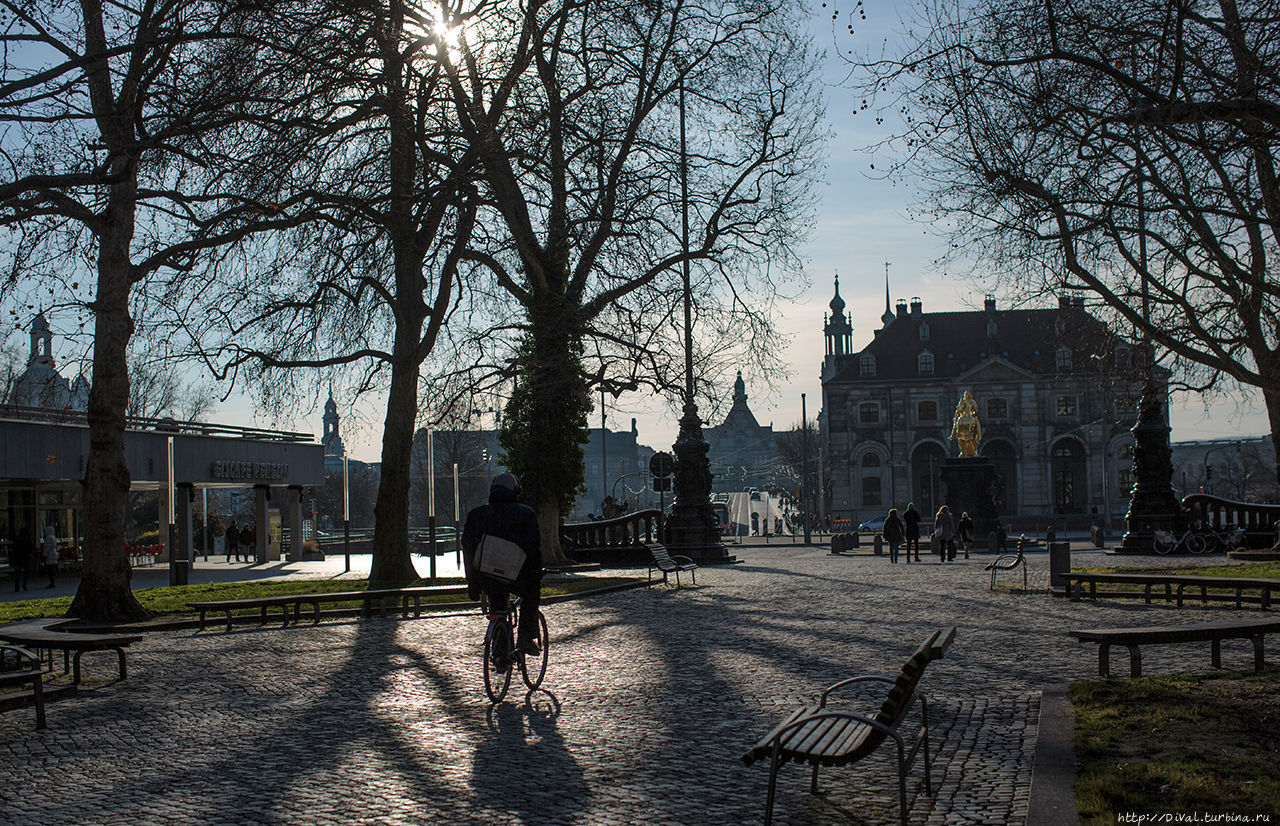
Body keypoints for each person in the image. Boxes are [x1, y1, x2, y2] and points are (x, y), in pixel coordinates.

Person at [462, 473, 544, 655]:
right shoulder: (526, 514)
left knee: (497, 605)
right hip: (516, 577)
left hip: (487, 576)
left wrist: (473, 582)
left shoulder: (477, 515)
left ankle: (499, 650)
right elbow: (533, 550)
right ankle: (525, 637)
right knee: (531, 595)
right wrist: (535, 574)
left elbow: (468, 547)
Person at [11, 527, 34, 592]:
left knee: (17, 572)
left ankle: (17, 585)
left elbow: (14, 548)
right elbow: (30, 548)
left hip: (18, 558)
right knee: (25, 572)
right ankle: (24, 584)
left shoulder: (17, 539)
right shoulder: (27, 539)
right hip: (26, 558)